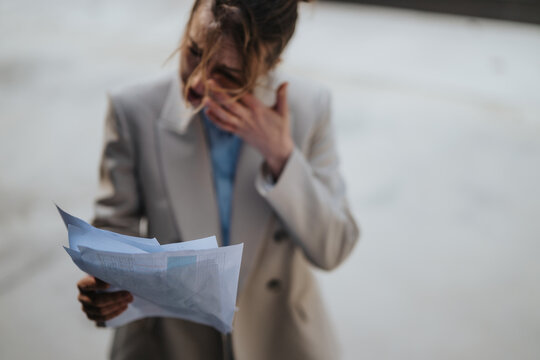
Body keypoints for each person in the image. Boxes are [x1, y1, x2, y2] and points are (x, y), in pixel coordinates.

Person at [75, 0, 360, 359]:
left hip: (279, 338)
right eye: (194, 51)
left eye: (226, 73)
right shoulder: (134, 110)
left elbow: (333, 249)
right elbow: (114, 237)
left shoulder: (308, 108)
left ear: (269, 66)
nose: (195, 84)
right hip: (170, 344)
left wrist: (282, 157)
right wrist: (106, 287)